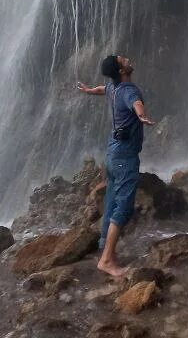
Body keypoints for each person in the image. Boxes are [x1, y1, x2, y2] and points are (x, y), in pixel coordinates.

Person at [76, 53, 155, 277]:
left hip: (112, 154)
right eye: (123, 61)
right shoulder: (129, 90)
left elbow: (103, 89)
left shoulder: (113, 88)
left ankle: (104, 246)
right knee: (124, 206)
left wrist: (89, 90)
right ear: (121, 71)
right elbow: (136, 103)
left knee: (111, 200)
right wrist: (141, 116)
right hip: (124, 157)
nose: (128, 59)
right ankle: (107, 259)